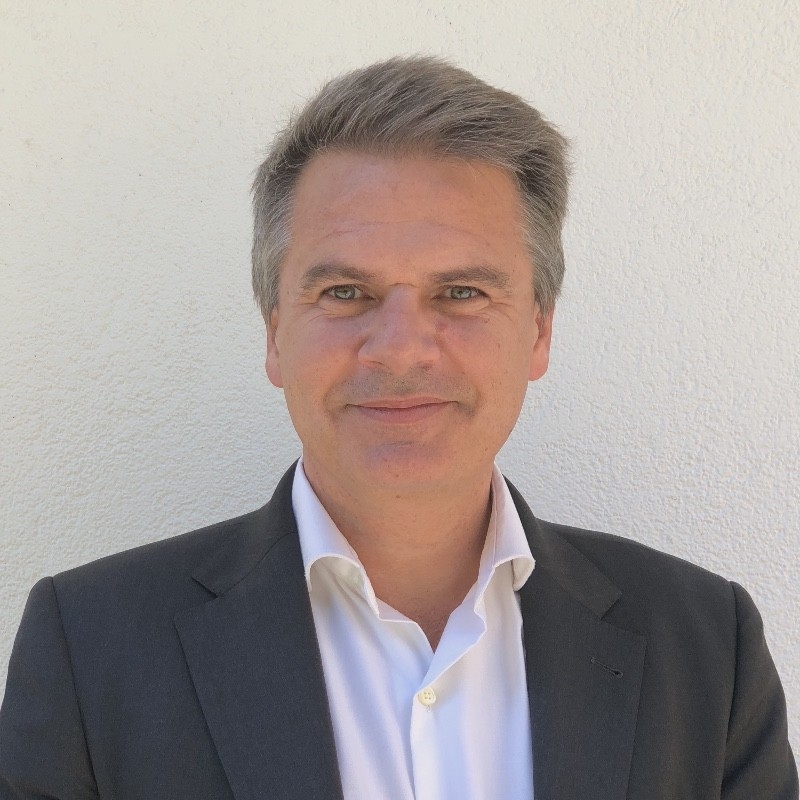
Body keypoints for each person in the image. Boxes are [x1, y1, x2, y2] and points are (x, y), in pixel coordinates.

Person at [0, 56, 796, 800]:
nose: (402, 349)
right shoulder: (89, 647)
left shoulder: (706, 646)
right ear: (275, 333)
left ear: (539, 330)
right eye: (346, 293)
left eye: (462, 293)